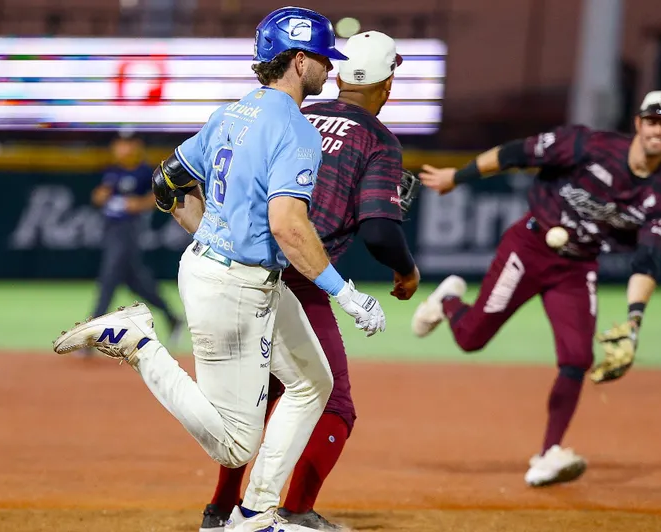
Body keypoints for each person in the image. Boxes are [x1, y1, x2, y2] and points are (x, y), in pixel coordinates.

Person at [53, 7, 386, 531]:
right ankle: (140, 343)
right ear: (299, 61)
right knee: (235, 443)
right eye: (323, 56)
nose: (329, 66)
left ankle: (255, 514)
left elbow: (167, 182)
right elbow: (288, 226)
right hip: (236, 287)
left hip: (225, 272)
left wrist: (212, 232)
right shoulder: (296, 129)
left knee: (311, 385)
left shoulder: (231, 113)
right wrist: (345, 293)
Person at [199, 30, 421, 532]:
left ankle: (220, 509)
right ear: (387, 85)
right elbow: (381, 230)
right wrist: (406, 271)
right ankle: (294, 509)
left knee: (266, 395)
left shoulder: (289, 114)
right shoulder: (377, 139)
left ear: (340, 76)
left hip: (239, 267)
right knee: (332, 400)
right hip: (300, 275)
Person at [411, 90, 661, 487]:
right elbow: (514, 153)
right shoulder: (587, 145)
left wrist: (634, 320)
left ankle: (549, 453)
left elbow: (647, 260)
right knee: (471, 338)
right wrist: (457, 176)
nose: (659, 130)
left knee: (577, 357)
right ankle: (449, 300)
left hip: (577, 266)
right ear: (639, 123)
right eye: (654, 120)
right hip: (528, 246)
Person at [88, 133, 183, 346]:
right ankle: (172, 317)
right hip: (111, 229)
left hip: (129, 230)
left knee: (109, 278)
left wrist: (138, 204)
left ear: (137, 146)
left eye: (127, 144)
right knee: (138, 283)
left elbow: (157, 197)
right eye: (120, 143)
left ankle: (92, 334)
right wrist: (99, 196)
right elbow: (97, 197)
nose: (122, 148)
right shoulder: (112, 171)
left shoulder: (144, 171)